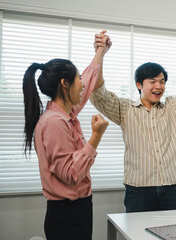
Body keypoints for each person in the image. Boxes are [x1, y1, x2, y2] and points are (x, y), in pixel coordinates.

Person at [90, 27, 176, 212]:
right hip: (138, 190)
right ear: (139, 85)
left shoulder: (172, 107)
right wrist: (100, 53)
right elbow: (98, 92)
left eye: (162, 81)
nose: (159, 86)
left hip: (173, 187)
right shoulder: (125, 110)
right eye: (153, 81)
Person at [22, 30, 112, 240]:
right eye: (77, 78)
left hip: (76, 210)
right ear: (64, 83)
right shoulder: (54, 123)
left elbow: (88, 84)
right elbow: (71, 174)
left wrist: (100, 52)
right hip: (67, 215)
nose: (82, 84)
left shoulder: (65, 113)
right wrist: (96, 136)